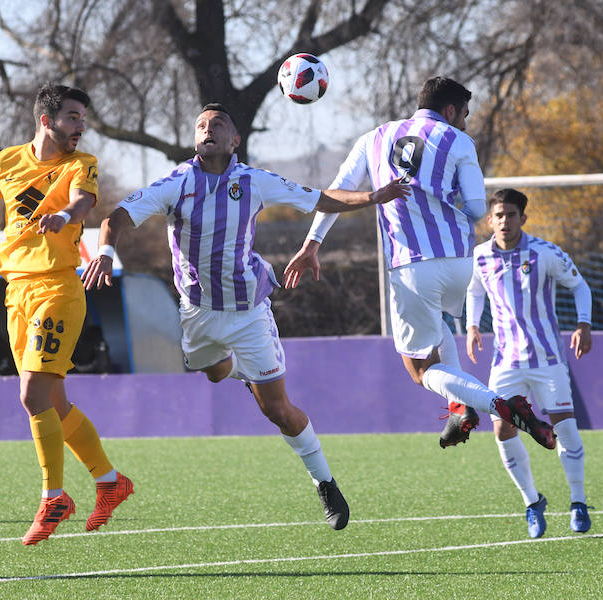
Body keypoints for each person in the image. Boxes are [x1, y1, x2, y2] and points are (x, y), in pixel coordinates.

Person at [83, 102, 410, 530]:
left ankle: (325, 482)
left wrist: (372, 196)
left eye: (218, 123)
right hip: (197, 311)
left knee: (278, 411)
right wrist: (106, 254)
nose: (207, 129)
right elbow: (117, 218)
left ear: (235, 140)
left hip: (249, 311)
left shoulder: (252, 181)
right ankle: (239, 369)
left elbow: (318, 198)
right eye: (200, 124)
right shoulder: (177, 183)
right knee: (215, 373)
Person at [283, 76, 556, 451]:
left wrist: (312, 243)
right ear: (449, 111)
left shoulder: (374, 138)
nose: (465, 122)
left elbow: (336, 191)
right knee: (441, 323)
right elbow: (478, 209)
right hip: (459, 264)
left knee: (419, 370)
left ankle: (502, 405)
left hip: (412, 266)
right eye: (464, 114)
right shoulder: (459, 141)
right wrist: (446, 199)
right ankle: (460, 407)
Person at [0, 83, 133, 545]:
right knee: (53, 402)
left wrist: (65, 216)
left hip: (58, 287)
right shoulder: (5, 162)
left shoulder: (81, 164)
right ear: (46, 121)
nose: (81, 126)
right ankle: (110, 482)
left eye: (82, 118)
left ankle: (54, 497)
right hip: (16, 290)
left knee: (31, 393)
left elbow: (84, 201)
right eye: (73, 117)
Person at [465, 188, 593, 537]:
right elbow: (474, 290)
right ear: (489, 220)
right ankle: (532, 502)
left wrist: (584, 324)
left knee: (564, 428)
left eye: (511, 214)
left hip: (548, 358)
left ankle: (578, 502)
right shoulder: (478, 257)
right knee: (502, 429)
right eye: (499, 215)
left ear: (524, 218)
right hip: (506, 361)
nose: (505, 221)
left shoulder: (545, 253)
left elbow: (580, 286)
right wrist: (472, 325)